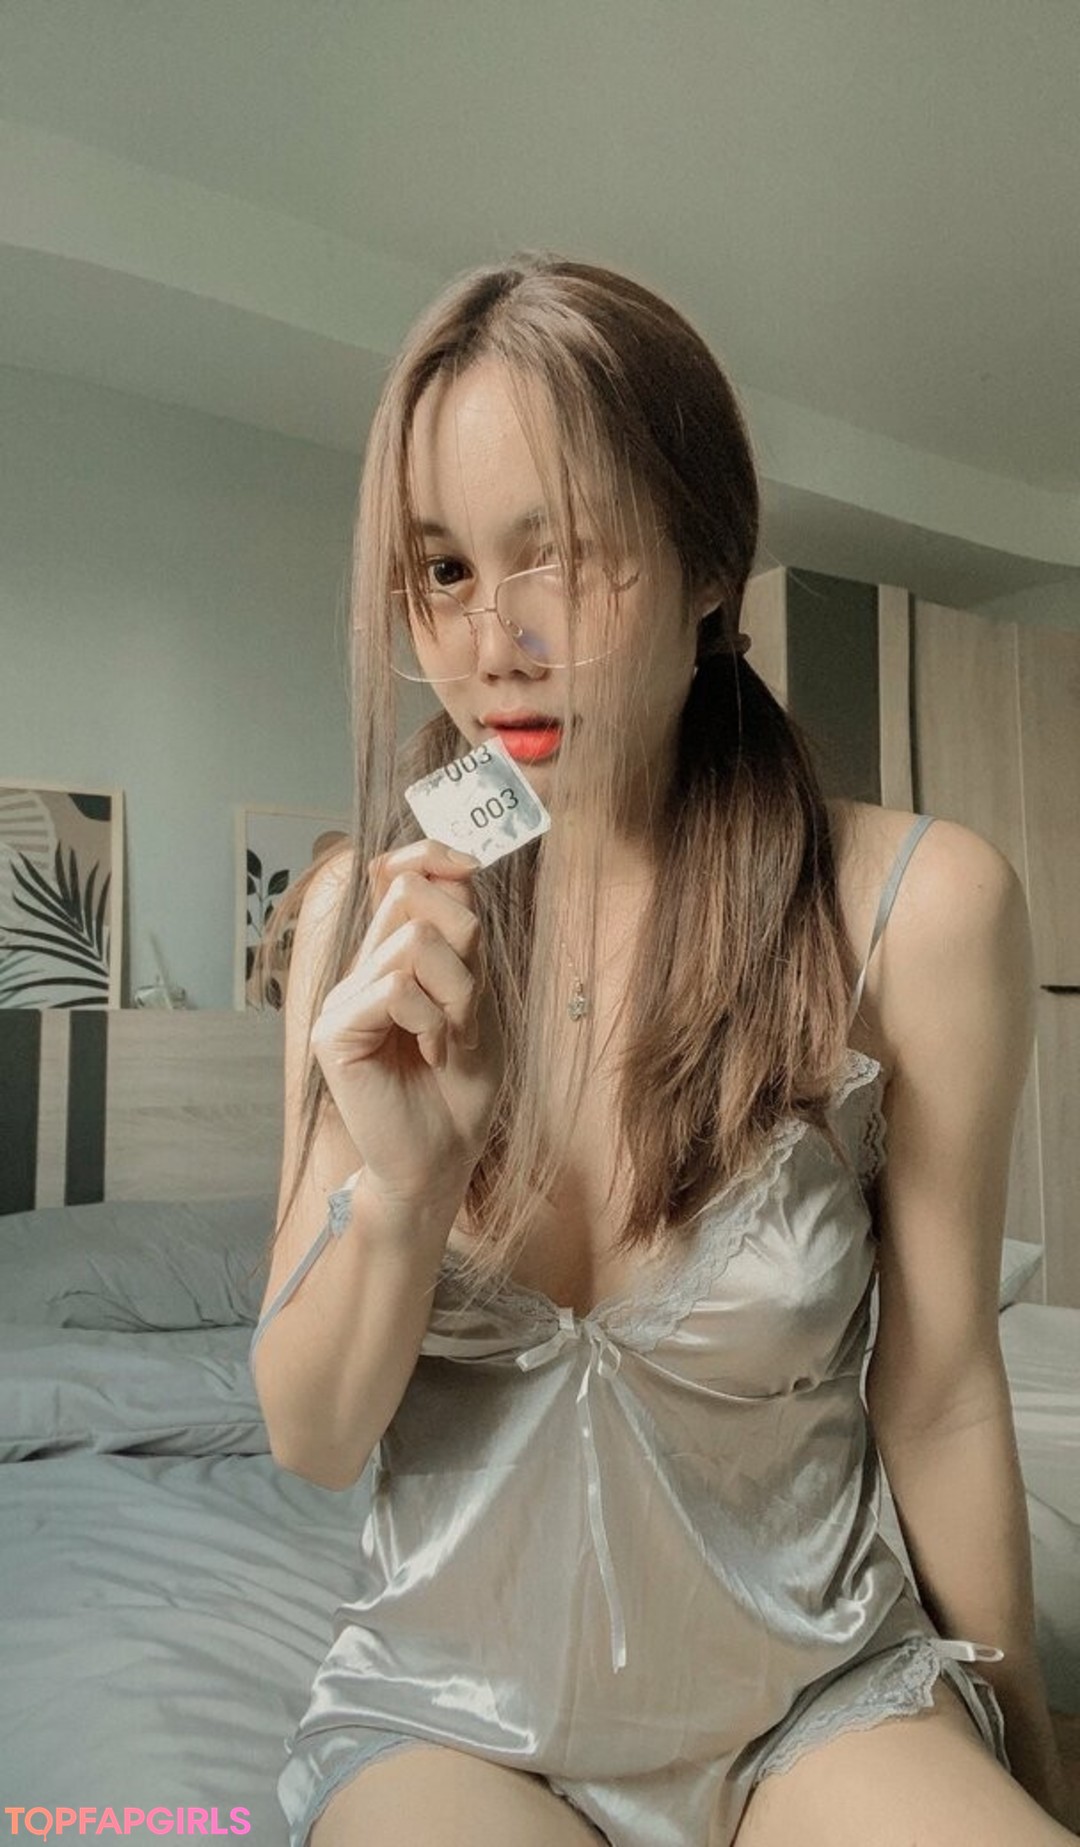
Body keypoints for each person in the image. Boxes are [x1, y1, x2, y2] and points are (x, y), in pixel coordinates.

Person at [249, 254, 1075, 1846]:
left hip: (813, 1695)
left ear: (707, 560)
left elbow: (942, 1392)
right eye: (442, 569)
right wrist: (403, 1187)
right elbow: (313, 1434)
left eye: (557, 553)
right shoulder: (363, 917)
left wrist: (1022, 1748)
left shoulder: (917, 907)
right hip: (452, 1719)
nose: (496, 641)